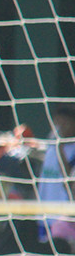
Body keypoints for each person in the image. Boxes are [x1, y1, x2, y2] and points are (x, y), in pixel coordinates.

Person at [37, 105, 75, 247]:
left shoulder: (71, 149)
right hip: (44, 211)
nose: (59, 128)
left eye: (64, 123)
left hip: (63, 218)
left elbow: (68, 181)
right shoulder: (51, 139)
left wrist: (60, 148)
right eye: (57, 123)